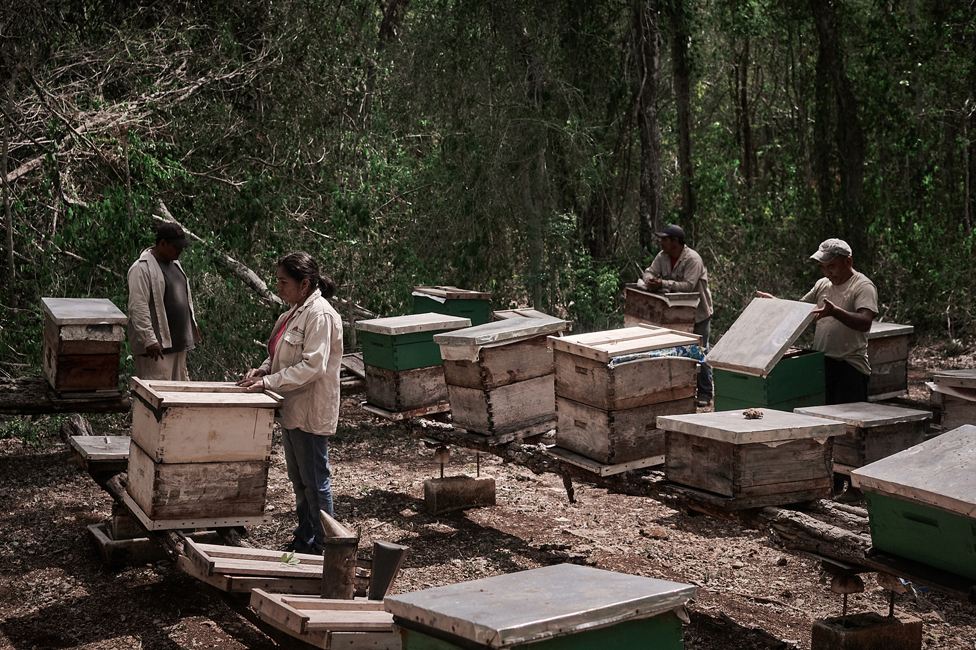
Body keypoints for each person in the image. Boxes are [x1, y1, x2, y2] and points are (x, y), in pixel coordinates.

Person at [238, 252, 343, 554]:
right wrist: (264, 368)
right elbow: (280, 353)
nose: (278, 287)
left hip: (309, 411)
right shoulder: (294, 312)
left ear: (305, 284)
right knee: (300, 482)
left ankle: (327, 549)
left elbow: (313, 366)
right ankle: (306, 540)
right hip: (291, 408)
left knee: (315, 482)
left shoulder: (320, 314)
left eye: (284, 282)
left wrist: (268, 382)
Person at [757, 238, 878, 405]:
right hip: (821, 364)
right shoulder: (822, 284)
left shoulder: (863, 286)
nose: (827, 273)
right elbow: (798, 310)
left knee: (849, 425)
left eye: (832, 267)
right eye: (823, 267)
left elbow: (865, 322)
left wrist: (835, 312)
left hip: (850, 367)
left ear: (848, 261)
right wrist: (777, 303)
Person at [642, 224, 714, 407]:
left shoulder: (693, 259)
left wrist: (662, 284)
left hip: (698, 313)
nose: (661, 242)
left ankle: (705, 392)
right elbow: (649, 271)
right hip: (673, 314)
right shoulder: (662, 256)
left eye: (664, 239)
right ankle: (681, 391)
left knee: (699, 350)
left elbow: (689, 286)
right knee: (677, 351)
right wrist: (650, 280)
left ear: (675, 242)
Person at [127, 222, 201, 381]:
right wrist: (149, 339)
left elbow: (183, 297)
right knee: (158, 396)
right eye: (176, 246)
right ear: (162, 243)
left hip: (178, 346)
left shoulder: (175, 263)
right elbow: (138, 307)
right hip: (157, 350)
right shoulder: (141, 268)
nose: (180, 250)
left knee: (180, 396)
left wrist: (192, 324)